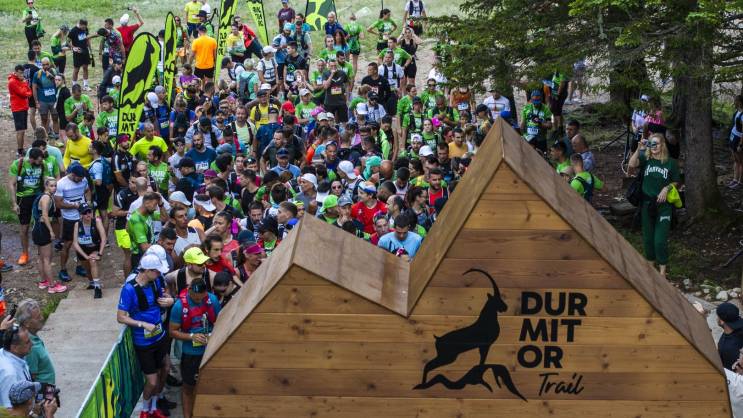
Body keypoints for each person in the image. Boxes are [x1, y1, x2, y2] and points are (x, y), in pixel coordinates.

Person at [117, 254, 174, 418]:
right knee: (152, 380)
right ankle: (144, 410)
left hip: (160, 336)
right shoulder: (129, 289)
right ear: (147, 271)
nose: (160, 274)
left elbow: (165, 294)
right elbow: (121, 317)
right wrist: (142, 324)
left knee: (162, 371)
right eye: (157, 271)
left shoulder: (156, 281)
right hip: (144, 343)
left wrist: (169, 300)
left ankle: (153, 408)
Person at [628, 133, 680, 279]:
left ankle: (662, 271)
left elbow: (676, 181)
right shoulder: (646, 158)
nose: (653, 146)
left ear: (662, 145)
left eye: (656, 143)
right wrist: (639, 148)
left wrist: (667, 188)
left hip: (664, 206)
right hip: (646, 204)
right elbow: (631, 165)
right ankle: (650, 267)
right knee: (648, 239)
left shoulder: (671, 163)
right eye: (651, 144)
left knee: (660, 240)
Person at [168, 278, 221, 418]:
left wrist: (212, 335)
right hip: (191, 354)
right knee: (188, 387)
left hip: (211, 350)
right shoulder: (179, 306)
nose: (199, 300)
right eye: (195, 298)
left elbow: (221, 322)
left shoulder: (212, 300)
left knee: (210, 386)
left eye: (201, 298)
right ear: (189, 290)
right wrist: (192, 336)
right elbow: (172, 332)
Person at [9, 148, 47, 267]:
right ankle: (25, 254)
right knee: (24, 227)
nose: (41, 162)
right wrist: (14, 203)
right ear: (31, 159)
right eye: (38, 161)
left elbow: (45, 180)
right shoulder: (18, 164)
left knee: (41, 225)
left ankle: (41, 252)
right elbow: (12, 184)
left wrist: (46, 197)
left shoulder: (43, 164)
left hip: (38, 197)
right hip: (23, 198)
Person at [31, 178, 66, 293]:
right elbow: (45, 216)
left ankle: (43, 282)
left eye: (55, 185)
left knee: (41, 258)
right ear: (46, 186)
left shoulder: (44, 196)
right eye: (51, 186)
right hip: (42, 229)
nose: (54, 188)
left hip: (37, 228)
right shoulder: (46, 198)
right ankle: (52, 286)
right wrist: (51, 231)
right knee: (47, 259)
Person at [15, 299, 55, 386]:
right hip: (43, 391)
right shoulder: (30, 346)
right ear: (27, 323)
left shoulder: (33, 337)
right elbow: (31, 378)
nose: (42, 318)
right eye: (38, 317)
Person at [71, 203, 106, 298]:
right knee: (87, 269)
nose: (88, 214)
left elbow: (103, 238)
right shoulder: (77, 224)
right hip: (82, 250)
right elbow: (75, 243)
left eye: (89, 212)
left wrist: (100, 253)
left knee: (92, 261)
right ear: (81, 214)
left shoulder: (97, 221)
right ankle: (92, 282)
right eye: (85, 212)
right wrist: (85, 256)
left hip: (94, 248)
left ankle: (97, 287)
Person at [0, 324, 33, 408]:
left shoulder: (7, 353)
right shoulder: (10, 374)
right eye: (27, 342)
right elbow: (9, 409)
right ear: (15, 348)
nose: (32, 344)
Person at [9, 64, 33, 156]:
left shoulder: (21, 80)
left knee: (23, 130)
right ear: (15, 72)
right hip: (17, 109)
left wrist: (26, 90)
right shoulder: (12, 82)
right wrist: (24, 84)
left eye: (22, 73)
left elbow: (29, 92)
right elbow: (23, 93)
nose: (21, 75)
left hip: (23, 107)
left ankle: (21, 149)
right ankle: (19, 151)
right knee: (20, 130)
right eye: (20, 73)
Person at [717, 302, 743, 370]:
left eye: (718, 317)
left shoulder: (727, 348)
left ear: (722, 321)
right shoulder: (739, 328)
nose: (717, 319)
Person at [68, 19, 91, 90]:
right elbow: (67, 41)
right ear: (80, 24)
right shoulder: (73, 31)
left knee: (85, 68)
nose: (84, 29)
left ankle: (86, 85)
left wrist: (90, 50)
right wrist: (73, 48)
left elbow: (87, 39)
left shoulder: (85, 29)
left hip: (85, 51)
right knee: (76, 69)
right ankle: (74, 86)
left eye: (85, 27)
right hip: (77, 53)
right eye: (83, 27)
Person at [728, 95, 743, 189]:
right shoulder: (738, 111)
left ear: (740, 102)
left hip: (738, 139)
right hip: (733, 137)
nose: (734, 102)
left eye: (736, 101)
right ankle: (734, 179)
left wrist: (740, 145)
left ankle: (740, 182)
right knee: (735, 160)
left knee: (741, 161)